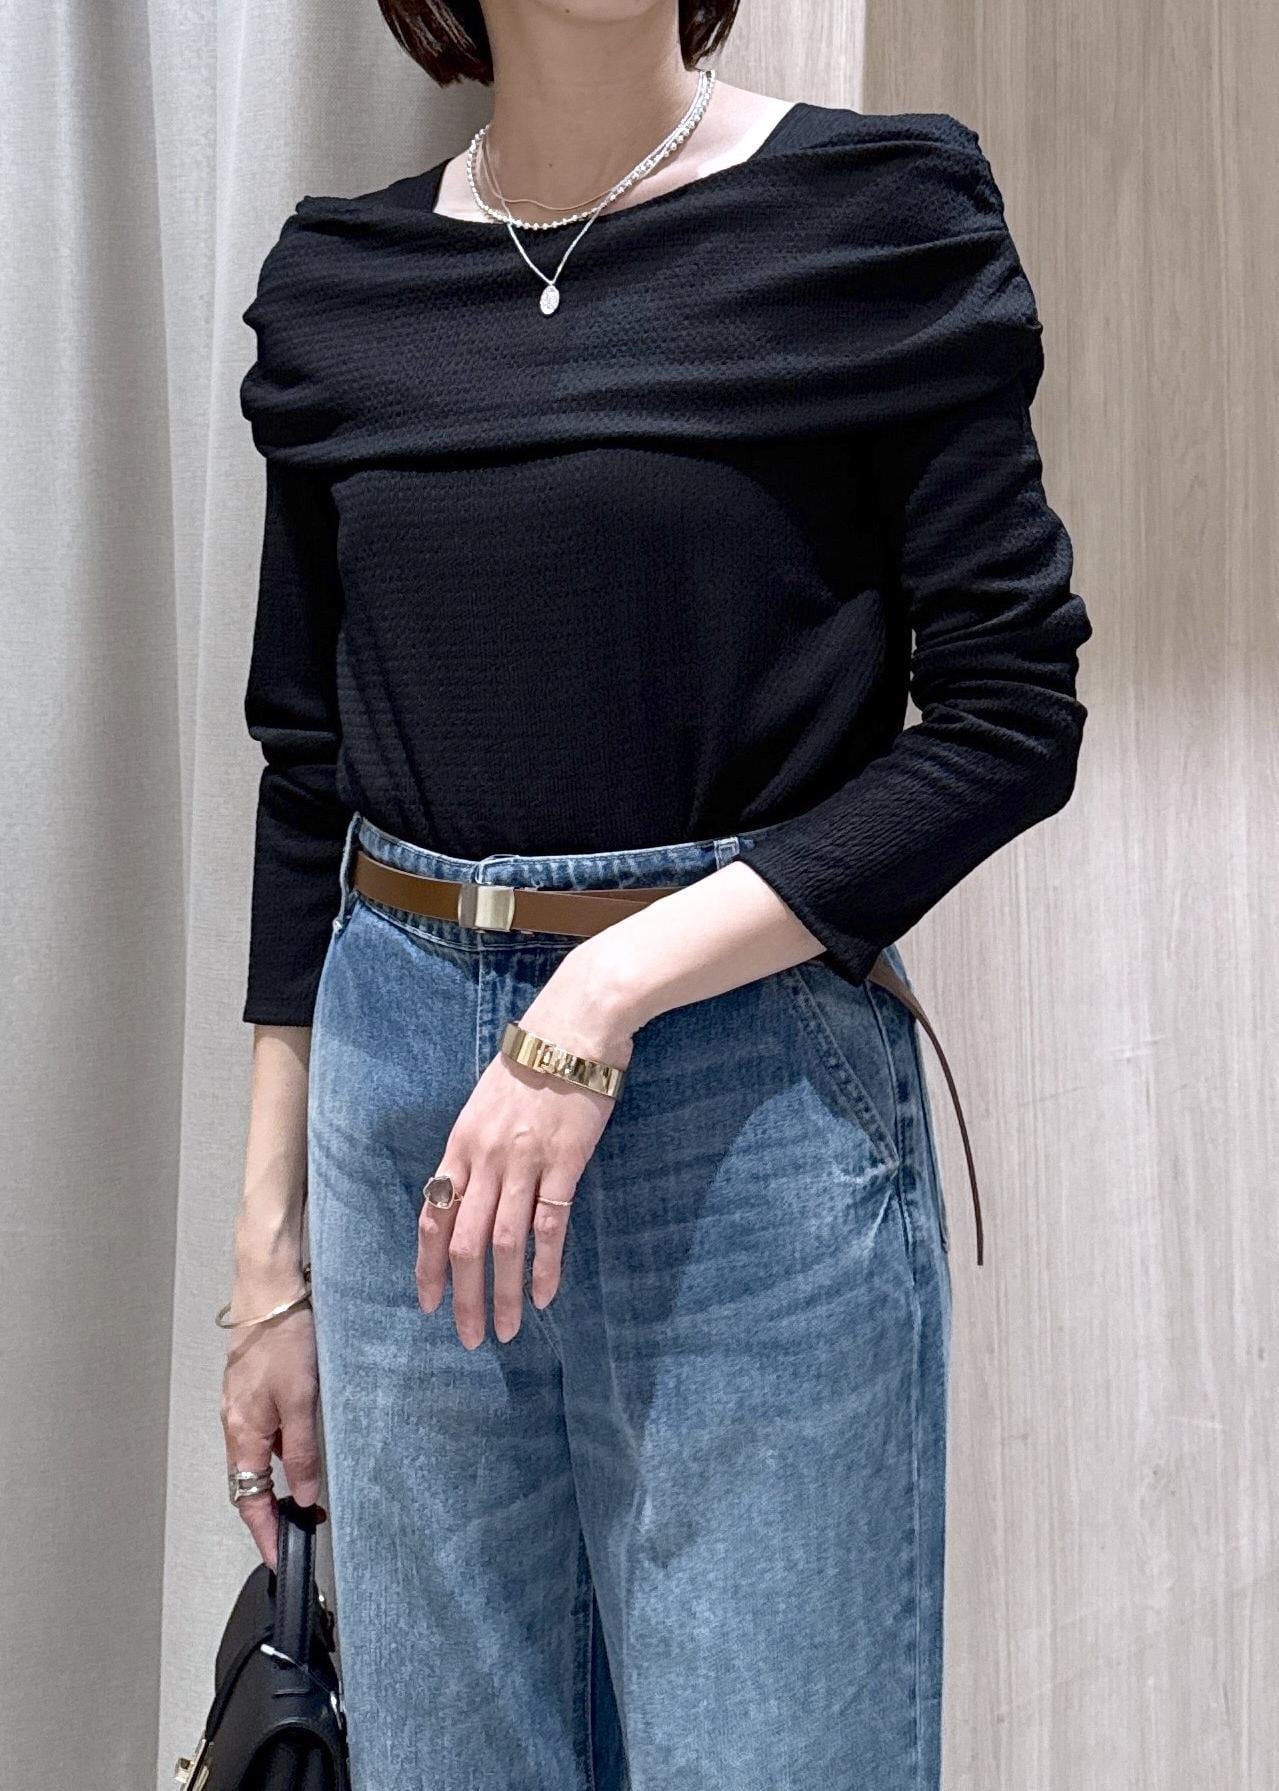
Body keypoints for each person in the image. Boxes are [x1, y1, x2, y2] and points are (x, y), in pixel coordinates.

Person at [218, 3, 1092, 1786]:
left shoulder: (873, 218)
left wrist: (606, 992)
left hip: (746, 1101)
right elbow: (307, 776)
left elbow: (1010, 716)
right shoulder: (344, 286)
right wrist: (267, 1271)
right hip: (402, 1123)